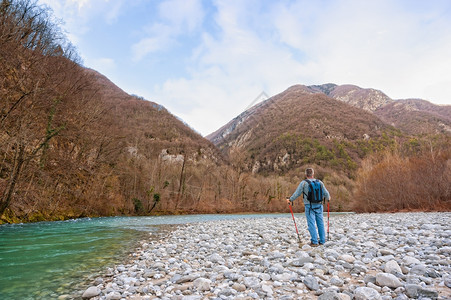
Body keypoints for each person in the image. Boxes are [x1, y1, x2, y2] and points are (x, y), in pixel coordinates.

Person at [286, 168, 331, 246]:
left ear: (306, 175)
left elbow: (297, 193)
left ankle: (314, 241)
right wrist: (328, 198)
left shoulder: (303, 183)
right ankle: (322, 241)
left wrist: (290, 200)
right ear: (313, 174)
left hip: (309, 206)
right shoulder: (320, 182)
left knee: (311, 224)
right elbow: (326, 194)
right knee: (320, 223)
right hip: (319, 205)